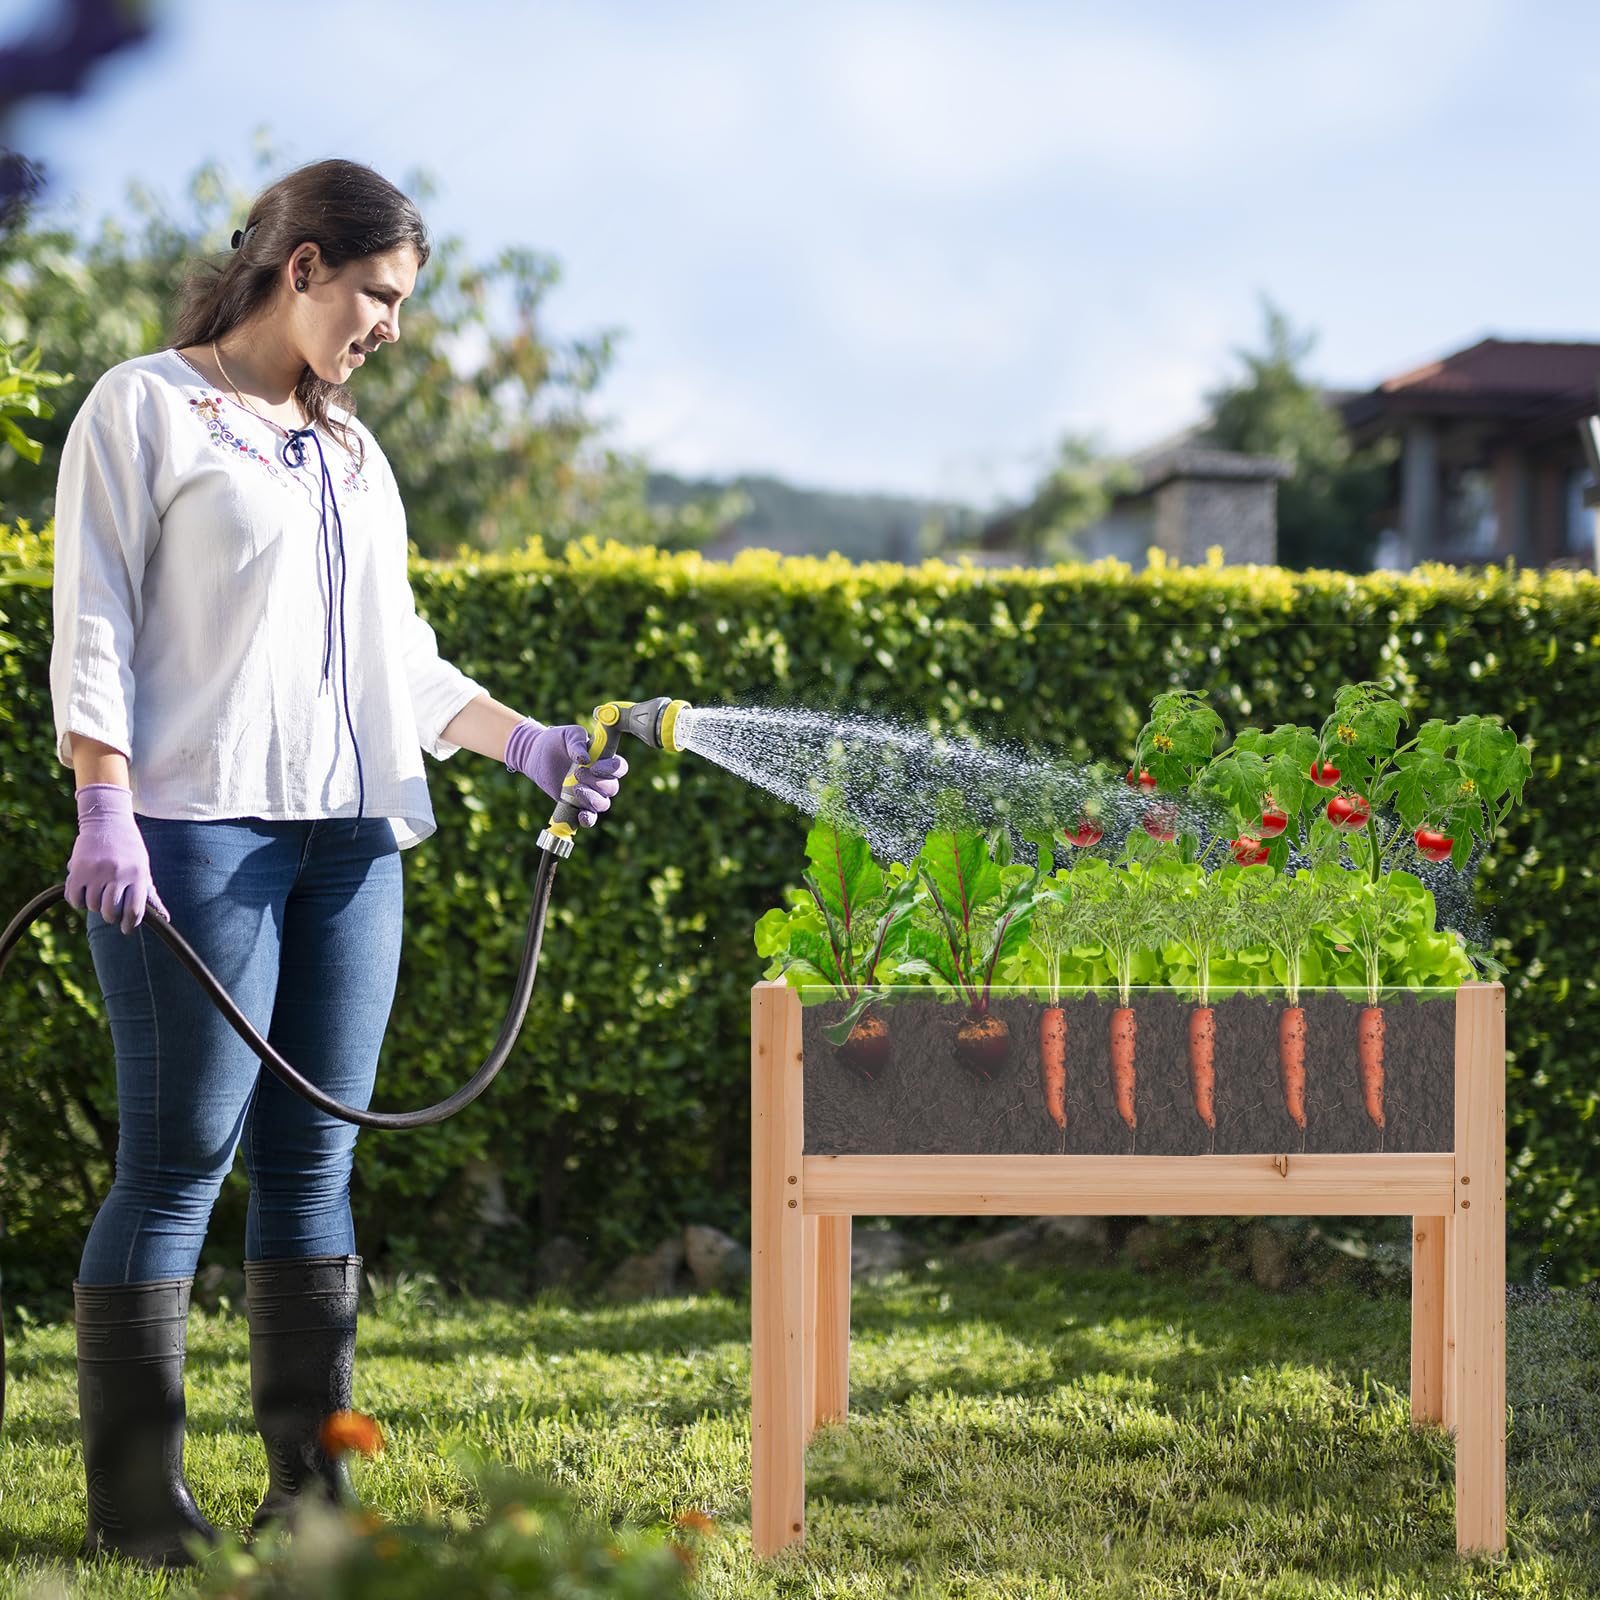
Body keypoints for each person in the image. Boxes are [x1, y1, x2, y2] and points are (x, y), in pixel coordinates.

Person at [48, 157, 626, 1569]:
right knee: (182, 1157)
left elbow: (403, 659)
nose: (388, 326)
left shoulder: (354, 454)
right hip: (193, 832)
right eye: (375, 294)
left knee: (317, 1164)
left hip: (354, 837)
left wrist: (521, 741)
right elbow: (98, 621)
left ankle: (313, 1493)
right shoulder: (147, 408)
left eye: (400, 304)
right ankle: (136, 1508)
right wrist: (102, 800)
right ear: (299, 265)